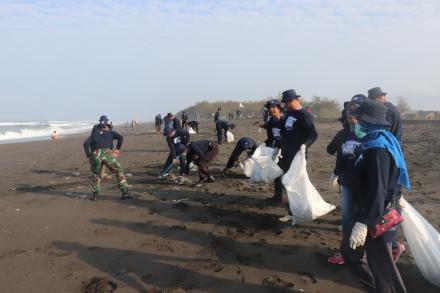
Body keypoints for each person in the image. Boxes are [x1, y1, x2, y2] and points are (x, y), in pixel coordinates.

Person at [340, 100, 409, 292]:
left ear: (369, 123)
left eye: (360, 120)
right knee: (351, 252)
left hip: (377, 216)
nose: (356, 123)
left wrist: (363, 223)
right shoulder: (374, 141)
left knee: (384, 271)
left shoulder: (378, 149)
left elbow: (379, 190)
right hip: (369, 210)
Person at [326, 94, 366, 265]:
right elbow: (340, 155)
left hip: (366, 185)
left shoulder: (371, 134)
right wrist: (336, 173)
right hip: (348, 183)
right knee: (347, 217)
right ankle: (347, 252)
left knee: (364, 221)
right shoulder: (344, 133)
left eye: (356, 111)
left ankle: (365, 253)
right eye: (349, 111)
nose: (351, 115)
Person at [273, 89, 318, 221]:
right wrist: (279, 147)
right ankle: (296, 210)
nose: (285, 105)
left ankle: (295, 212)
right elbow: (286, 134)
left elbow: (313, 134)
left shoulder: (303, 115)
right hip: (286, 154)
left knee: (295, 184)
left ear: (293, 100)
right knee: (288, 183)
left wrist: (305, 145)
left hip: (298, 155)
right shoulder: (289, 114)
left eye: (286, 102)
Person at [83, 121, 133, 201]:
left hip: (96, 154)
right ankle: (125, 192)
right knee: (119, 170)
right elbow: (120, 138)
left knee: (95, 174)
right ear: (106, 126)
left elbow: (85, 144)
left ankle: (95, 195)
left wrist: (89, 155)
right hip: (107, 153)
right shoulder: (110, 132)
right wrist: (117, 149)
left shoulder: (94, 134)